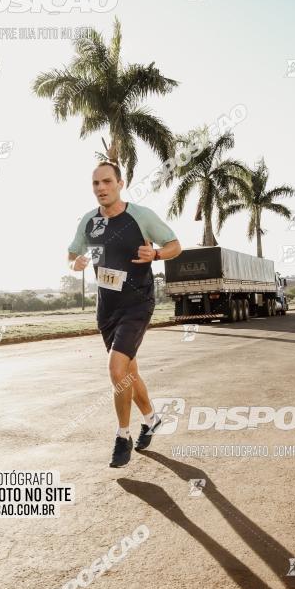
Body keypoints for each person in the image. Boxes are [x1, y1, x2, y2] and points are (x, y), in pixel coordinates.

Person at [68, 161, 182, 467]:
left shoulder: (140, 216)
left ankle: (122, 435)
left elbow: (175, 245)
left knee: (117, 371)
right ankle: (152, 418)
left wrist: (156, 253)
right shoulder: (88, 222)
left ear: (120, 183)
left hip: (137, 303)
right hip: (106, 308)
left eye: (106, 182)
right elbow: (73, 253)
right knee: (128, 373)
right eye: (95, 183)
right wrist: (75, 263)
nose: (101, 188)